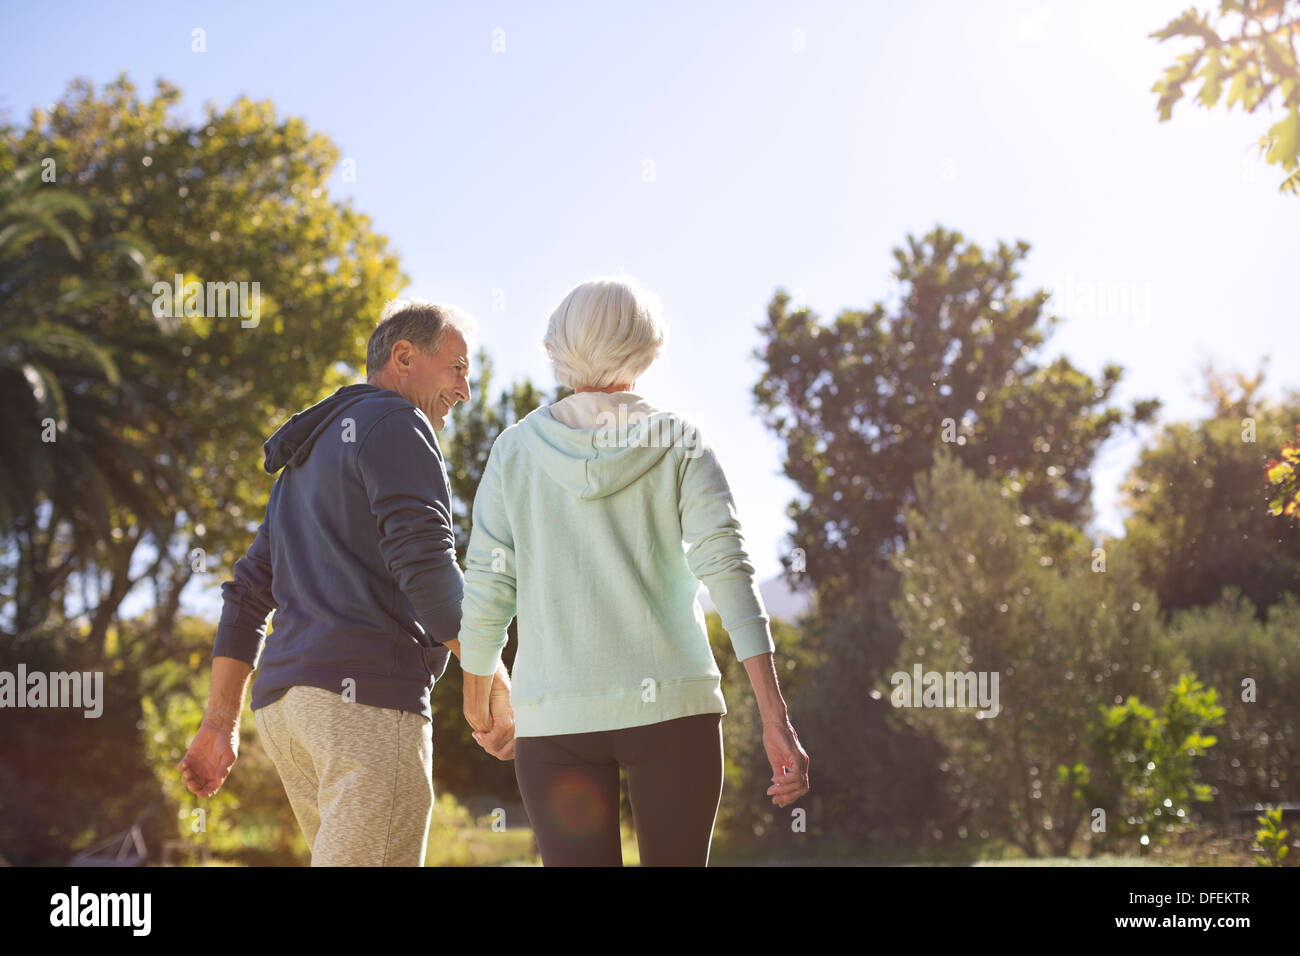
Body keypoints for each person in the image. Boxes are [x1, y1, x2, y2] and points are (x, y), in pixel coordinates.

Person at [458, 276, 810, 866]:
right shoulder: (680, 441)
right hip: (672, 710)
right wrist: (777, 719)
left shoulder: (514, 451)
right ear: (646, 344)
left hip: (556, 717)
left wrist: (480, 701)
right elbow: (728, 569)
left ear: (558, 344)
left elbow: (490, 584)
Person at [178, 298, 515, 866]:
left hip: (288, 711)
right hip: (365, 703)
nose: (464, 390)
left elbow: (246, 594)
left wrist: (219, 723)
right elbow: (426, 567)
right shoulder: (397, 423)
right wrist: (493, 673)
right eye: (457, 368)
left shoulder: (303, 463)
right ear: (403, 356)